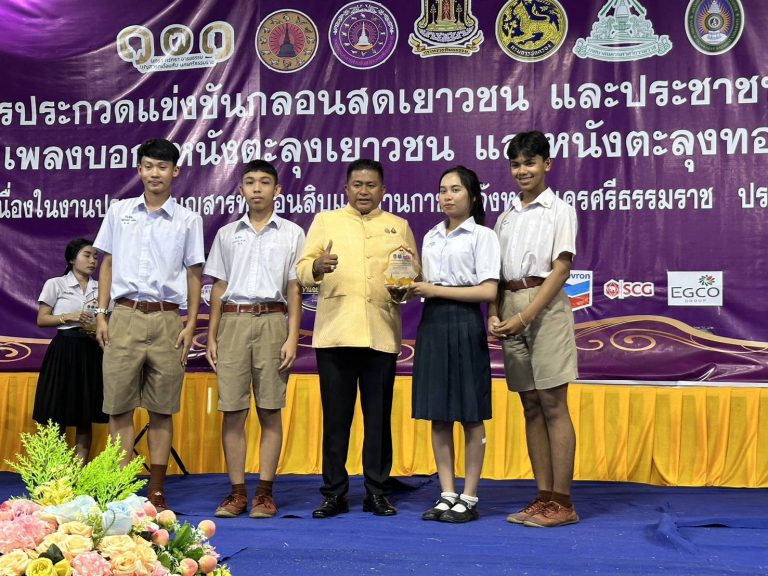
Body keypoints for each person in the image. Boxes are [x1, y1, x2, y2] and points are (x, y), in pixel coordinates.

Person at [296, 158, 419, 518]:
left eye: (371, 185)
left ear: (383, 190)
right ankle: (333, 493)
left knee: (378, 420)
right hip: (335, 334)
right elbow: (301, 270)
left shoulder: (398, 226)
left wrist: (405, 285)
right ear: (346, 188)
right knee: (336, 421)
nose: (364, 191)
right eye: (358, 185)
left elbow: (413, 273)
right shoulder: (326, 221)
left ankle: (377, 492)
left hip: (381, 335)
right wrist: (316, 267)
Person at [94, 138, 205, 512]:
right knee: (119, 407)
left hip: (167, 320)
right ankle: (120, 488)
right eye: (148, 166)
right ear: (139, 170)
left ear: (175, 172)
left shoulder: (188, 220)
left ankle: (156, 490)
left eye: (162, 167)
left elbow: (194, 274)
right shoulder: (119, 211)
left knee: (161, 409)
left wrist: (190, 323)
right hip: (123, 316)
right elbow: (107, 264)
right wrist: (102, 313)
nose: (155, 173)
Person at [488, 130, 579, 528]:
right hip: (509, 304)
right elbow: (494, 272)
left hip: (544, 306)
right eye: (516, 164)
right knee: (529, 404)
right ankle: (543, 498)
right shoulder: (505, 217)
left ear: (547, 164)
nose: (522, 170)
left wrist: (526, 315)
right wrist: (494, 312)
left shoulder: (560, 210)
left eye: (530, 162)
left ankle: (564, 502)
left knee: (553, 403)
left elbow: (561, 269)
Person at [204, 160, 304, 519]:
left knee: (270, 410)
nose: (257, 188)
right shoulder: (227, 234)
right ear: (241, 189)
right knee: (233, 411)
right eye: (250, 182)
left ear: (277, 190)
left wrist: (292, 336)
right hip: (232, 322)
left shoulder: (292, 233)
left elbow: (295, 288)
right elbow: (218, 286)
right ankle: (237, 493)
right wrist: (212, 335)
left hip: (274, 321)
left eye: (264, 182)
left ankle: (264, 493)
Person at [410, 166, 500, 523]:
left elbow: (488, 291)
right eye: (443, 190)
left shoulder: (483, 236)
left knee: (470, 413)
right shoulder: (431, 236)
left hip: (465, 323)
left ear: (472, 196)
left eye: (456, 189)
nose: (447, 196)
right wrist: (409, 284)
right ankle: (447, 493)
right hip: (432, 323)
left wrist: (433, 289)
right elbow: (425, 284)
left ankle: (470, 496)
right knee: (438, 413)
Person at [32, 238, 107, 461]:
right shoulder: (56, 284)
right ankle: (56, 471)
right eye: (87, 255)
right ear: (72, 259)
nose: (93, 261)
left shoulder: (102, 287)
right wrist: (69, 317)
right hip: (64, 350)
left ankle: (79, 472)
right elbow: (42, 319)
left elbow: (109, 321)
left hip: (91, 351)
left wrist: (98, 329)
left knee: (86, 414)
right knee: (57, 412)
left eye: (96, 257)